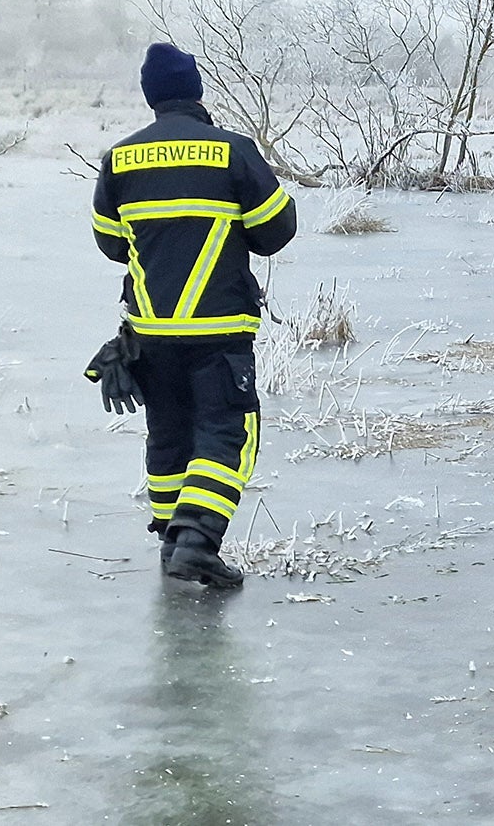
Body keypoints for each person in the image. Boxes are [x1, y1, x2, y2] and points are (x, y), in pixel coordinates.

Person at [90, 42, 297, 587]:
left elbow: (111, 243)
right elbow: (276, 231)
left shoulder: (119, 158)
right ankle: (197, 541)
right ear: (197, 90)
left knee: (169, 432)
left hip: (150, 331)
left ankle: (170, 539)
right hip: (219, 327)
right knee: (227, 432)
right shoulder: (232, 151)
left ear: (150, 97)